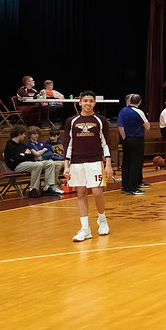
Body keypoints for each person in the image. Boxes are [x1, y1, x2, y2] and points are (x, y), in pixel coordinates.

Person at [64, 91, 114, 241]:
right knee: (81, 194)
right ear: (79, 102)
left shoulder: (101, 120)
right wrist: (66, 165)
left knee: (97, 192)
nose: (88, 103)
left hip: (95, 161)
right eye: (85, 101)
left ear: (94, 103)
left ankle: (102, 219)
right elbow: (68, 144)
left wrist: (108, 164)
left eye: (91, 101)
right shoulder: (71, 121)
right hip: (76, 162)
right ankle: (85, 229)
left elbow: (106, 143)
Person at [3, 125, 60, 197]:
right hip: (17, 166)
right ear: (18, 134)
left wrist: (24, 155)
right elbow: (17, 159)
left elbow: (30, 156)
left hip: (28, 163)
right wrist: (25, 155)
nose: (24, 135)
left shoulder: (22, 145)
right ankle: (33, 189)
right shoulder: (10, 145)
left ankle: (47, 187)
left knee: (50, 163)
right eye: (23, 134)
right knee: (38, 165)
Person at [117, 94, 150, 196]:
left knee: (126, 162)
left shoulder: (122, 110)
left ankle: (125, 186)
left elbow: (120, 126)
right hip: (137, 139)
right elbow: (147, 126)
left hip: (126, 140)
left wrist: (125, 138)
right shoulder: (139, 112)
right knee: (136, 163)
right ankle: (133, 187)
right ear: (139, 102)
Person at [26, 126, 65, 194]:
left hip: (46, 160)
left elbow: (49, 152)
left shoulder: (41, 143)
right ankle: (49, 186)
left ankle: (50, 186)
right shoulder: (29, 144)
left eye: (37, 133)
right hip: (38, 162)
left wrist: (41, 152)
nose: (36, 135)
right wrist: (44, 150)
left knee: (58, 165)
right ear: (30, 135)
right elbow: (37, 154)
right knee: (52, 163)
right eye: (34, 134)